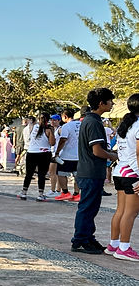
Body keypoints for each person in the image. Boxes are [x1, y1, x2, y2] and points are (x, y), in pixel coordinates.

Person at [72, 88, 117, 254]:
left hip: (89, 171)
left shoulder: (90, 120)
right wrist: (112, 156)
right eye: (110, 101)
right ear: (101, 103)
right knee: (87, 207)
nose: (112, 104)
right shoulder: (94, 122)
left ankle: (88, 237)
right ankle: (81, 239)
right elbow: (97, 151)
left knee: (91, 207)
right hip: (91, 171)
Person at [107, 93, 139, 261]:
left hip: (120, 172)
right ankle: (124, 248)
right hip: (133, 173)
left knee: (120, 210)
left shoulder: (124, 126)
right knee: (131, 213)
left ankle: (114, 244)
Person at [18, 111, 55, 201]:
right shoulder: (48, 129)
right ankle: (40, 194)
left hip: (31, 152)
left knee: (29, 174)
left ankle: (24, 192)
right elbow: (52, 143)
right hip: (44, 153)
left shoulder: (33, 127)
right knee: (42, 174)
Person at [53, 109, 80, 201]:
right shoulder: (81, 125)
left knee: (61, 173)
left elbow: (63, 139)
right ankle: (77, 194)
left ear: (65, 117)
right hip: (79, 155)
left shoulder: (66, 126)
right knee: (77, 175)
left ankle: (65, 192)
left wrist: (57, 152)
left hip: (67, 154)